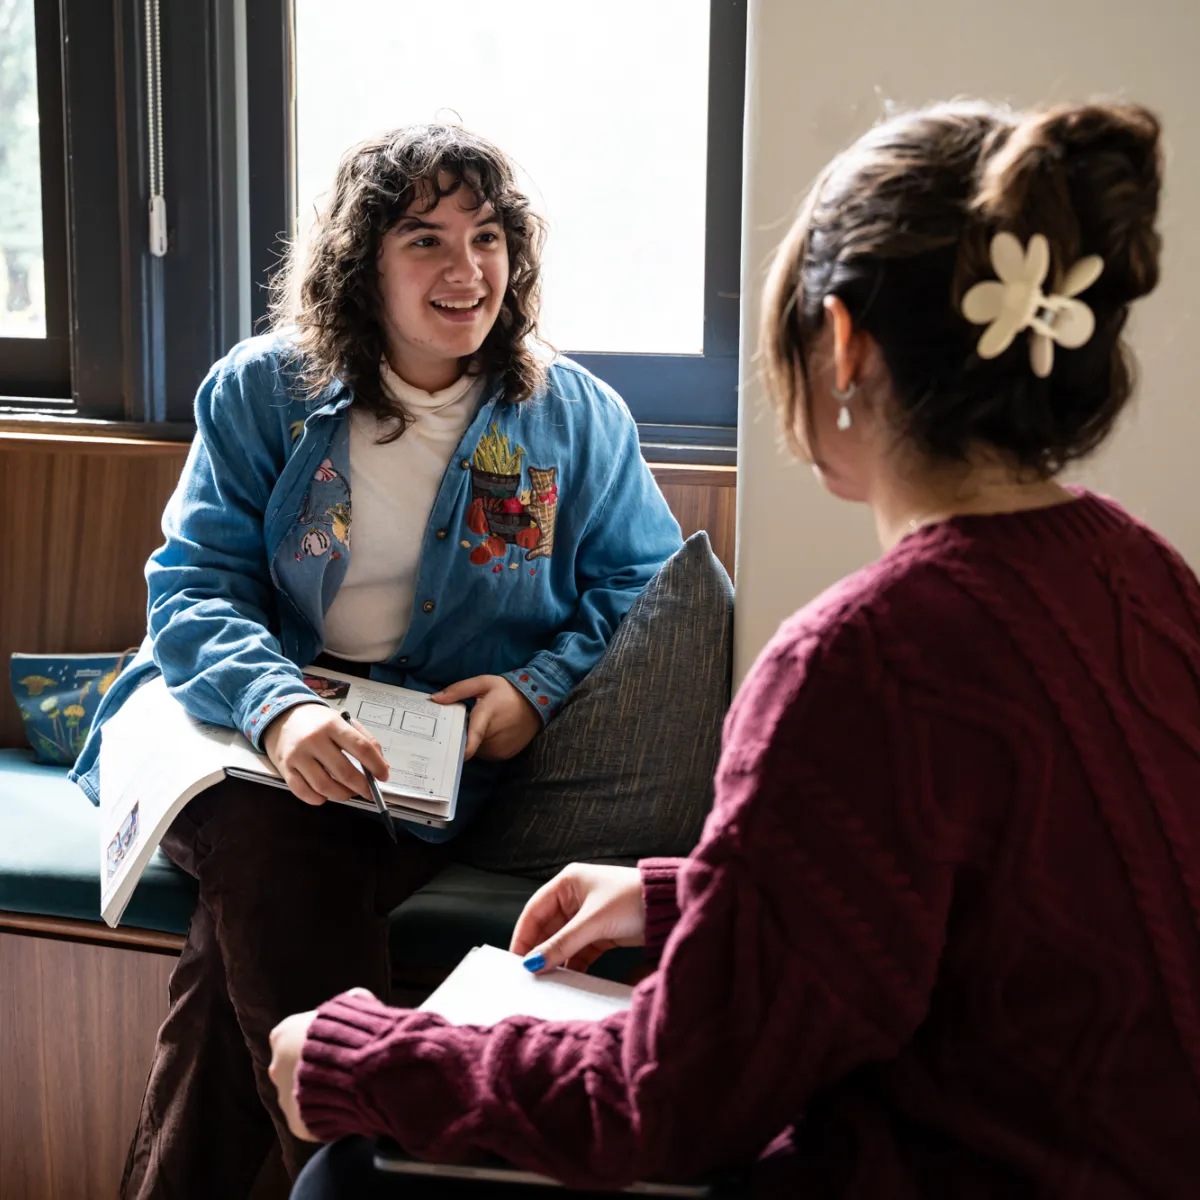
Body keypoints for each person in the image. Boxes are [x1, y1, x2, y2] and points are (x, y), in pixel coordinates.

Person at [270, 99, 1200, 1198]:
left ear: (842, 342)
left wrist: (361, 1054)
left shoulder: (864, 659)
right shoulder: (1145, 579)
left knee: (346, 1169)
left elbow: (661, 1104)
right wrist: (687, 894)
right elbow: (983, 907)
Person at [69, 123, 682, 1199]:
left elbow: (638, 588)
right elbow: (195, 586)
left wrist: (535, 693)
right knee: (273, 837)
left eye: (489, 237)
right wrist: (279, 714)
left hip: (426, 767)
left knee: (250, 925)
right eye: (426, 239)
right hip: (233, 738)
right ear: (363, 265)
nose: (468, 270)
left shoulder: (575, 417)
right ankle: (366, 1176)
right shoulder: (261, 392)